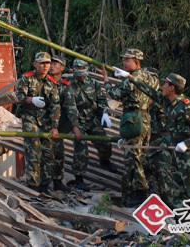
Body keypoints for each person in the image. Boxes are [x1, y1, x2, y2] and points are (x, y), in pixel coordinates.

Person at [133, 73, 190, 207]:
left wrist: (186, 143)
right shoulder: (167, 101)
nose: (162, 86)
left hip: (186, 157)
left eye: (165, 84)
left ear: (172, 87)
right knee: (171, 189)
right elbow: (149, 91)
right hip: (173, 153)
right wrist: (130, 77)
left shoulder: (187, 107)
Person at [103, 48, 158, 207]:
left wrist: (106, 83)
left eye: (128, 60)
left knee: (133, 158)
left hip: (134, 118)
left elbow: (115, 94)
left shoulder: (132, 78)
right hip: (145, 118)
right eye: (124, 59)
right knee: (139, 156)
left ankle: (140, 193)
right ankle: (131, 195)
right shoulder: (149, 76)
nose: (124, 62)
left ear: (137, 61)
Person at [14, 51, 61, 192]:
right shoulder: (26, 78)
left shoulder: (52, 82)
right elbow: (18, 96)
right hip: (30, 117)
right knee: (33, 151)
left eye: (47, 63)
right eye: (42, 63)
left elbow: (55, 105)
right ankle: (34, 185)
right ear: (35, 64)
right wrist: (31, 100)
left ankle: (45, 185)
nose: (45, 66)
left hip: (46, 120)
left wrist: (55, 127)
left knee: (48, 152)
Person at [70, 59, 112, 191]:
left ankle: (105, 161)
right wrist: (75, 126)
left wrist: (104, 113)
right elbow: (69, 108)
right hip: (77, 120)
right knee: (81, 149)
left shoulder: (94, 84)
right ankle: (79, 178)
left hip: (92, 119)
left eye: (82, 72)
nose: (80, 75)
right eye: (78, 72)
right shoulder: (69, 85)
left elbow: (101, 100)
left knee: (105, 143)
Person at [49, 55, 79, 192]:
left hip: (57, 126)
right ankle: (39, 184)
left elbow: (71, 107)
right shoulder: (43, 81)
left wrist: (75, 126)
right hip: (41, 122)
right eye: (51, 63)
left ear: (62, 68)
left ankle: (57, 181)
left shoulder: (65, 86)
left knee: (58, 153)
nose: (52, 65)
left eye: (56, 64)